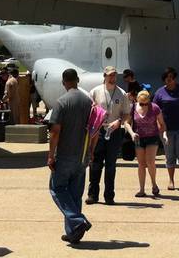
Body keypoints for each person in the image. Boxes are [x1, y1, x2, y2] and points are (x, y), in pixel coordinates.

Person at [48, 68, 95, 244]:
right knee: (75, 194)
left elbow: (55, 132)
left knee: (57, 189)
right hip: (82, 156)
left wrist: (50, 155)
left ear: (63, 82)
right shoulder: (89, 102)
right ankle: (73, 233)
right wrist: (91, 151)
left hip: (65, 155)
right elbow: (94, 130)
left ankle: (77, 220)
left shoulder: (61, 102)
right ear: (77, 80)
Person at [86, 66, 131, 205]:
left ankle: (109, 196)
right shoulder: (95, 91)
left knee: (111, 165)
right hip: (99, 131)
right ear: (104, 76)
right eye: (110, 75)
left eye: (114, 75)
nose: (112, 77)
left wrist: (119, 122)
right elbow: (87, 109)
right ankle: (93, 195)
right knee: (95, 163)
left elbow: (126, 114)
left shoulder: (121, 93)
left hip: (114, 131)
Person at [153, 66, 179, 192]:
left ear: (175, 78)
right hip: (166, 129)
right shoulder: (159, 93)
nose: (169, 80)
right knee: (169, 155)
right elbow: (154, 109)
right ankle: (171, 181)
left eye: (171, 78)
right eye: (166, 78)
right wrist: (158, 123)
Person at [129, 89, 167, 197]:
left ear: (149, 101)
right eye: (141, 103)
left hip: (152, 137)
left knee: (150, 162)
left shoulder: (155, 108)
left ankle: (154, 184)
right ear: (137, 101)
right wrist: (132, 133)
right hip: (138, 138)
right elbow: (127, 122)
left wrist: (163, 134)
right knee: (141, 164)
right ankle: (141, 189)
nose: (144, 106)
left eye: (146, 103)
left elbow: (162, 123)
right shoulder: (133, 108)